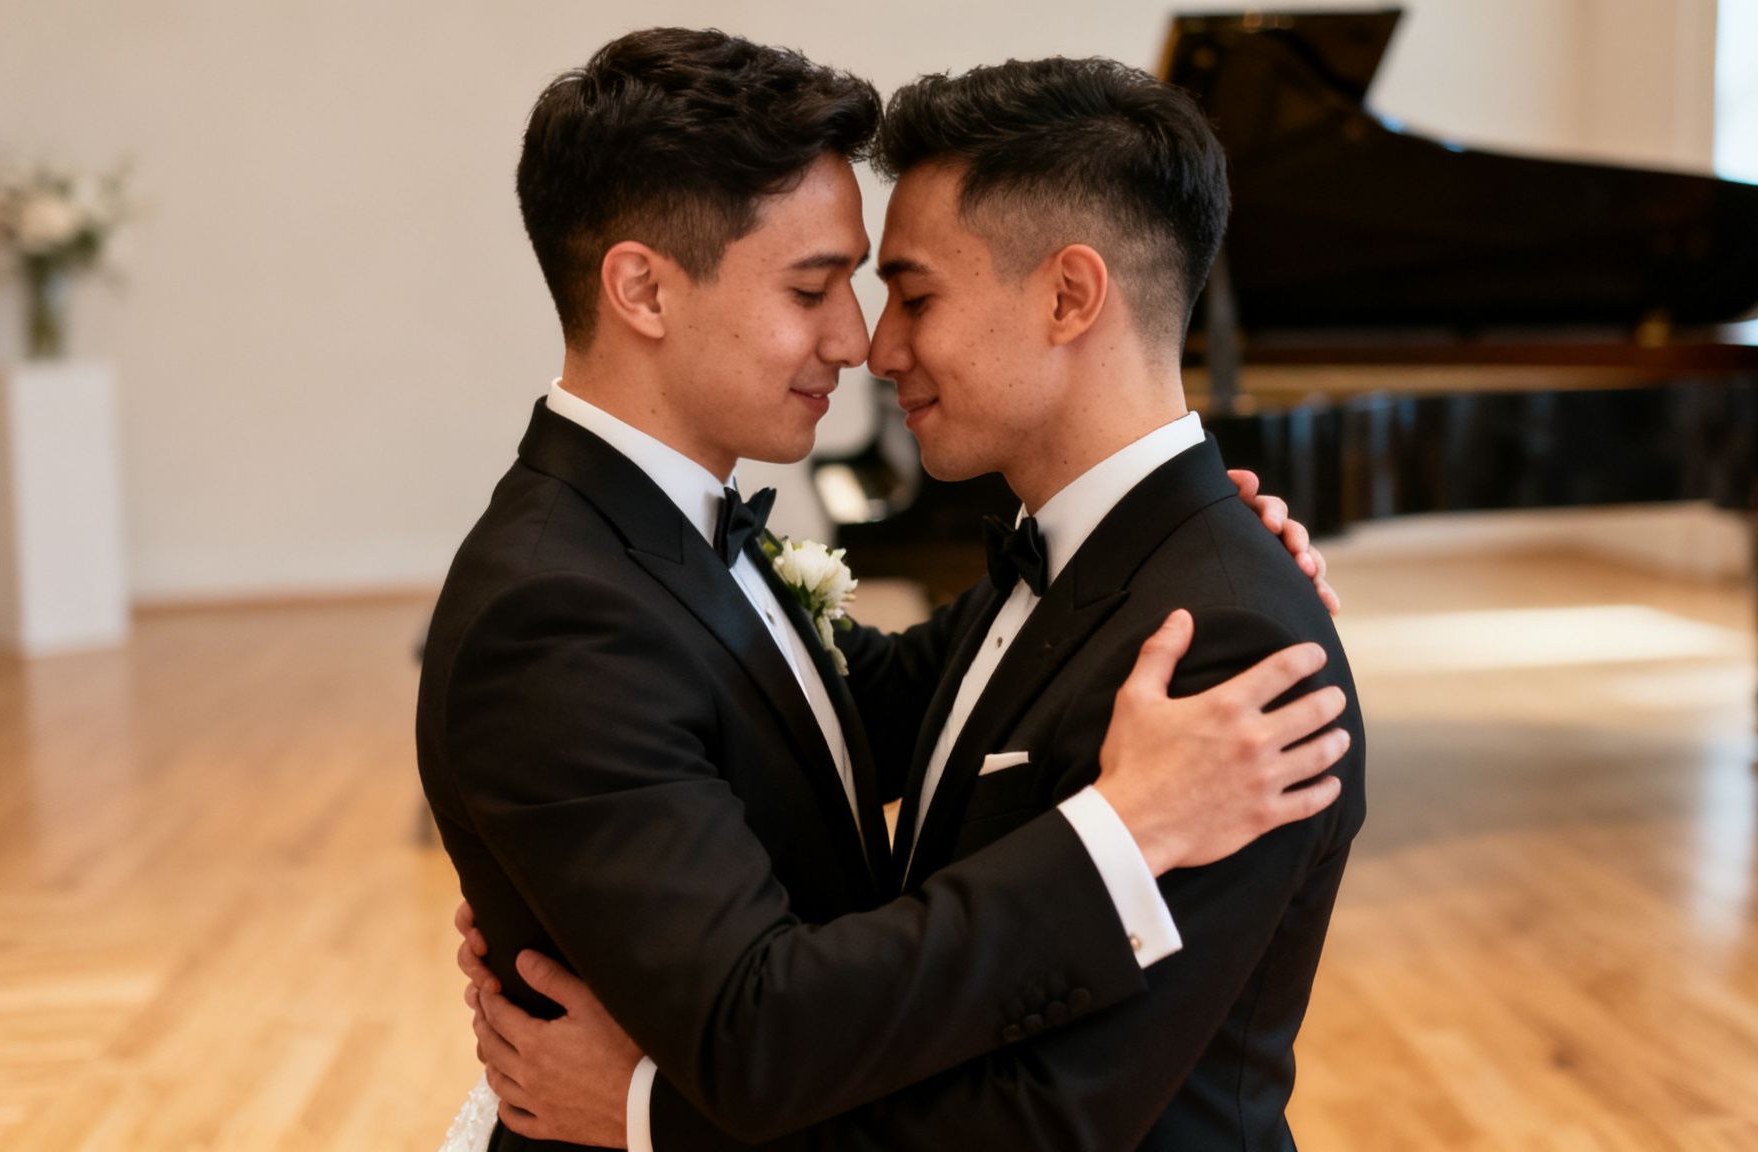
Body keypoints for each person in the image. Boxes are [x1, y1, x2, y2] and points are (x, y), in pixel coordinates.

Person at [424, 31, 1350, 1152]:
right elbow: (752, 1021)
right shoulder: (557, 610)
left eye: (901, 294)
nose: (864, 341)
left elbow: (1056, 1112)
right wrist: (1124, 828)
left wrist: (1173, 546)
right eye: (816, 287)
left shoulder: (1211, 640)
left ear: (1069, 298)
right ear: (641, 290)